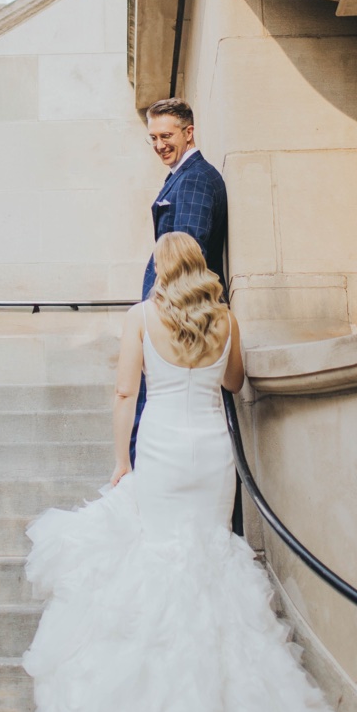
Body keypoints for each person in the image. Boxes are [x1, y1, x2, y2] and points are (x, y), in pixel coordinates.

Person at [22, 231, 337, 712]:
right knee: (209, 561)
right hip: (212, 453)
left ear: (161, 271)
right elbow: (235, 382)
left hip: (163, 449)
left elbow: (125, 394)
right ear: (200, 267)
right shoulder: (226, 320)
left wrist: (122, 462)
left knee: (160, 560)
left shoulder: (142, 316)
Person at [134, 98, 227, 465]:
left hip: (177, 327)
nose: (159, 145)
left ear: (189, 133)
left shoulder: (196, 181)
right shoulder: (180, 178)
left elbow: (186, 260)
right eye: (153, 138)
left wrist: (160, 323)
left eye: (166, 135)